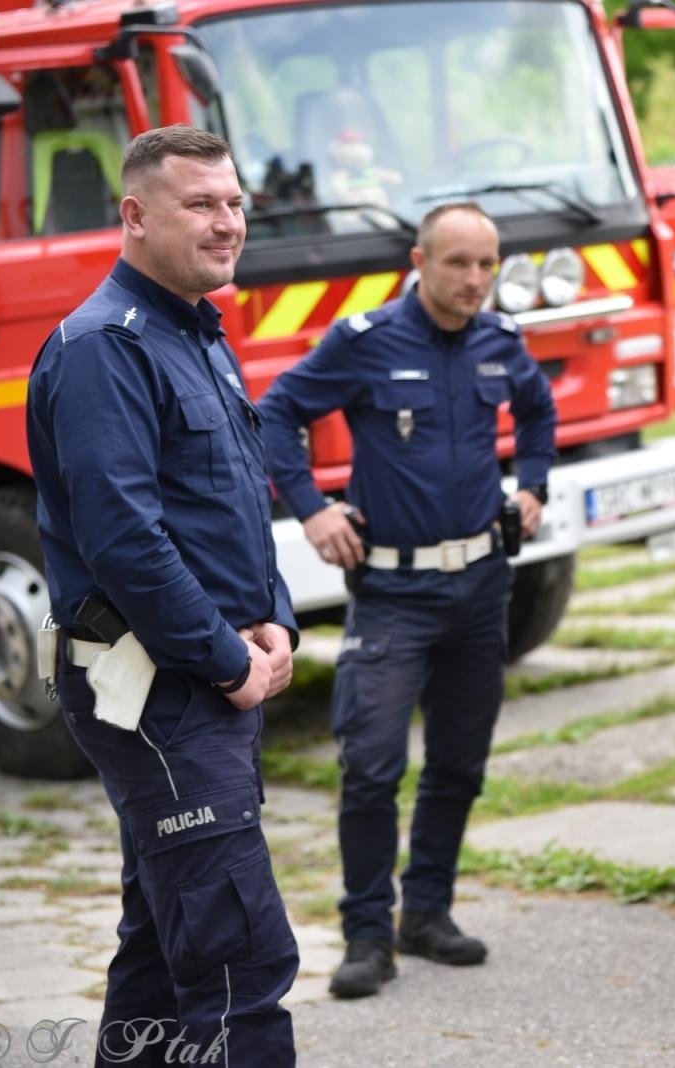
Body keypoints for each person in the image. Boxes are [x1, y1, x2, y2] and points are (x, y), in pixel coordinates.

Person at [25, 125, 300, 1065]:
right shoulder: (106, 349)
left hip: (200, 674)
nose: (227, 224)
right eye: (201, 205)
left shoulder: (198, 331)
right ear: (135, 215)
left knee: (160, 950)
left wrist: (273, 618)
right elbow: (126, 541)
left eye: (233, 203)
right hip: (156, 686)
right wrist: (228, 661)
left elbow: (228, 506)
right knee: (239, 963)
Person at [257, 202, 556, 999]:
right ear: (418, 261)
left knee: (459, 763)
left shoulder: (501, 339)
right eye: (457, 263)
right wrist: (312, 507)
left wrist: (534, 487)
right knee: (371, 766)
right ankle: (366, 934)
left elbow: (537, 411)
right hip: (394, 592)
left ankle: (426, 915)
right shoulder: (364, 343)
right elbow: (276, 411)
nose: (474, 280)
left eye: (487, 263)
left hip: (483, 585)